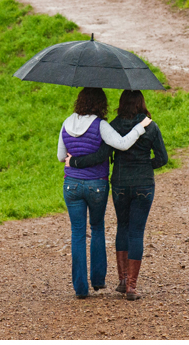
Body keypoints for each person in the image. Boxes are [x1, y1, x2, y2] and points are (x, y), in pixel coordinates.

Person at [69, 89, 167, 300]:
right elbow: (162, 158)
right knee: (136, 231)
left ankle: (122, 280)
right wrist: (145, 165)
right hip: (143, 184)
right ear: (141, 103)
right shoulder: (150, 126)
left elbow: (103, 155)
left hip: (120, 184)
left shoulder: (113, 125)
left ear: (121, 104)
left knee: (122, 227)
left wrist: (75, 162)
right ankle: (132, 287)